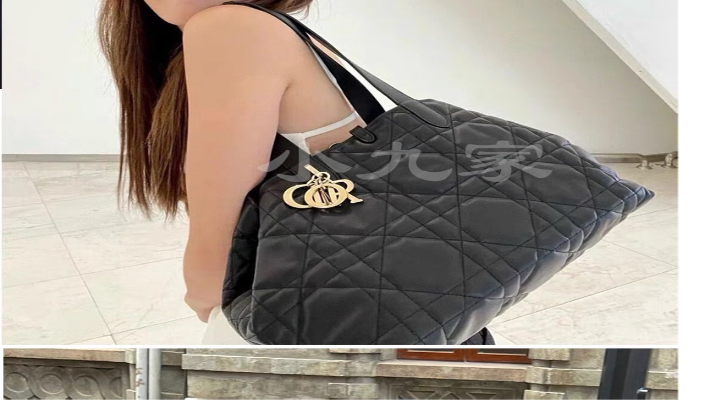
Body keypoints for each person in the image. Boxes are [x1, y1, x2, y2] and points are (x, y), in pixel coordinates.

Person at [98, 0, 495, 345]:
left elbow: (218, 251)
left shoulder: (228, 27)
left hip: (307, 308)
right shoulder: (273, 30)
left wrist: (205, 293)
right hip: (391, 308)